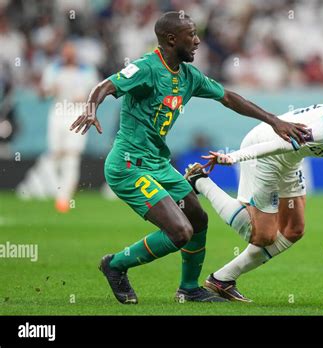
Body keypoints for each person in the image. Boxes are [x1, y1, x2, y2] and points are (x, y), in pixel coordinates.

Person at [69, 12, 308, 304]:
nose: (197, 41)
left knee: (198, 218)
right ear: (171, 39)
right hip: (129, 167)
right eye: (191, 35)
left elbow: (229, 98)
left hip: (158, 164)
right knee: (181, 231)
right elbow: (105, 86)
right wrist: (92, 106)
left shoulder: (188, 76)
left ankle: (189, 288)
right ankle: (116, 264)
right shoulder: (146, 68)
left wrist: (274, 121)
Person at [185, 81, 323, 302]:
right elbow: (279, 145)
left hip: (293, 157)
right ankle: (200, 182)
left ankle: (222, 279)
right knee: (263, 236)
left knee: (294, 229)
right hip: (267, 148)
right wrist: (234, 157)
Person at [17, 41, 99, 212]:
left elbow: (97, 94)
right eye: (66, 52)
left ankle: (64, 198)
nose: (68, 55)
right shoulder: (53, 69)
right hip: (58, 114)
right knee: (55, 154)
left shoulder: (87, 71)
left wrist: (86, 100)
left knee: (72, 155)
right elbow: (42, 94)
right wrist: (49, 90)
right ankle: (53, 189)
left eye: (71, 52)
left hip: (78, 114)